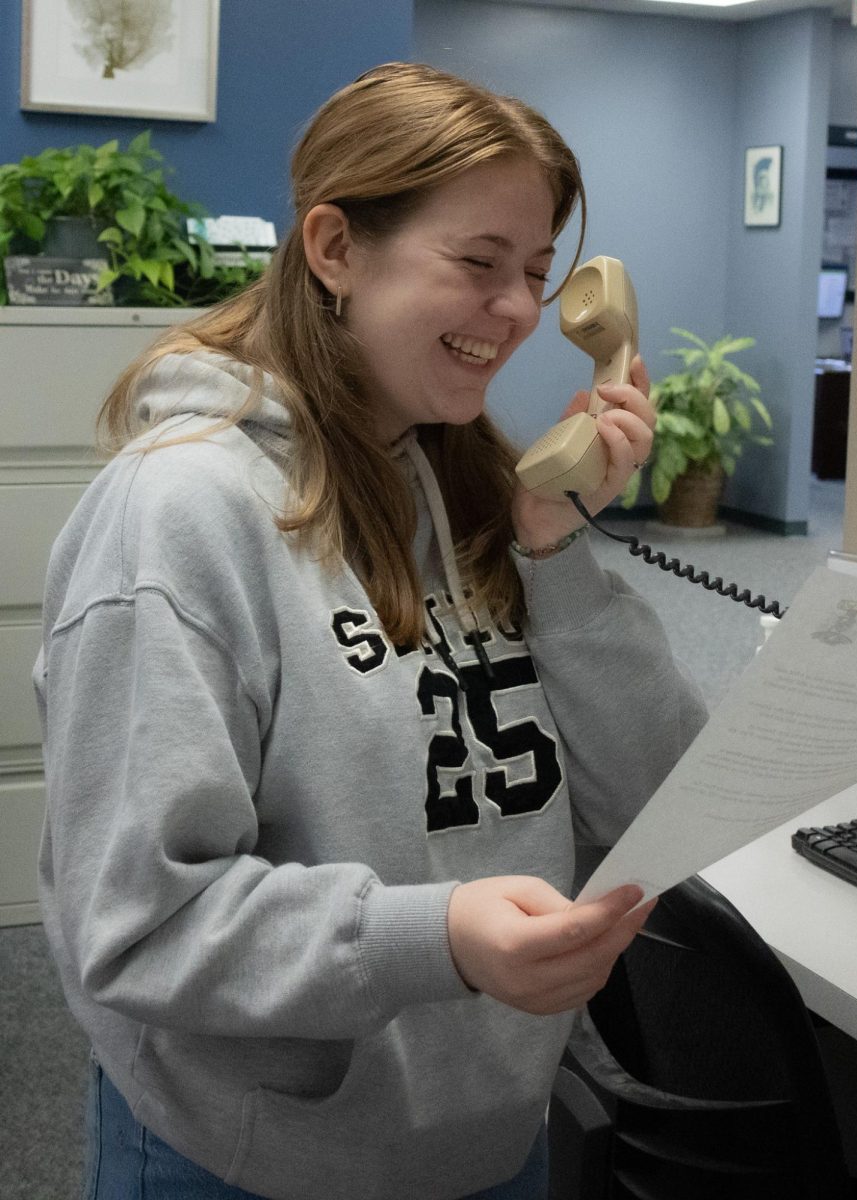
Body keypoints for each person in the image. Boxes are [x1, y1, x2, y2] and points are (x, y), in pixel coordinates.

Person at [33, 62, 707, 1200]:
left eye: (538, 273)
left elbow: (656, 794)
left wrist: (551, 547)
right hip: (260, 1156)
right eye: (478, 263)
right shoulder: (180, 514)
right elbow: (137, 923)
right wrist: (434, 938)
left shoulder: (476, 484)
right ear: (336, 249)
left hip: (493, 1127)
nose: (515, 311)